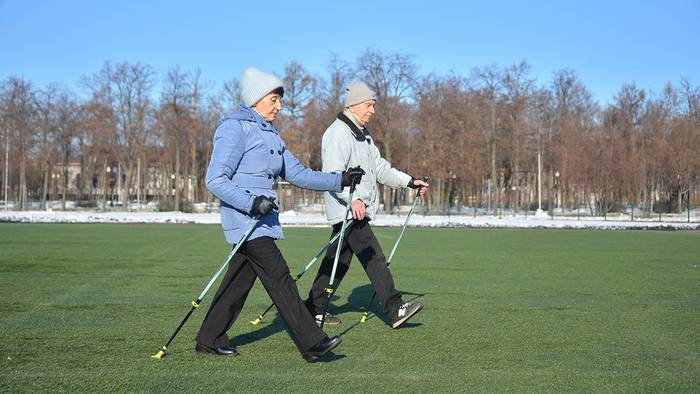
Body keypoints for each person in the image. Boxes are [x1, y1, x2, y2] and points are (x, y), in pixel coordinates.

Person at [195, 67, 364, 362]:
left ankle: (209, 338)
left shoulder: (271, 134)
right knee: (280, 277)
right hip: (246, 219)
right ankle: (312, 342)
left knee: (238, 282)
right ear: (256, 99)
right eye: (273, 99)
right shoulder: (235, 128)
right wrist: (251, 203)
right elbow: (215, 179)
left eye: (279, 100)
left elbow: (298, 174)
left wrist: (340, 179)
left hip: (262, 220)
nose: (279, 106)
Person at [305, 82, 429, 329]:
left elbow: (380, 168)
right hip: (349, 209)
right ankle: (395, 308)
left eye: (373, 105)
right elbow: (333, 174)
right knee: (374, 258)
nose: (372, 110)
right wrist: (354, 201)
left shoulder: (364, 136)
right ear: (354, 105)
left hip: (356, 209)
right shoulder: (338, 133)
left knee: (338, 261)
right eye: (369, 105)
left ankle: (313, 308)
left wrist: (409, 182)